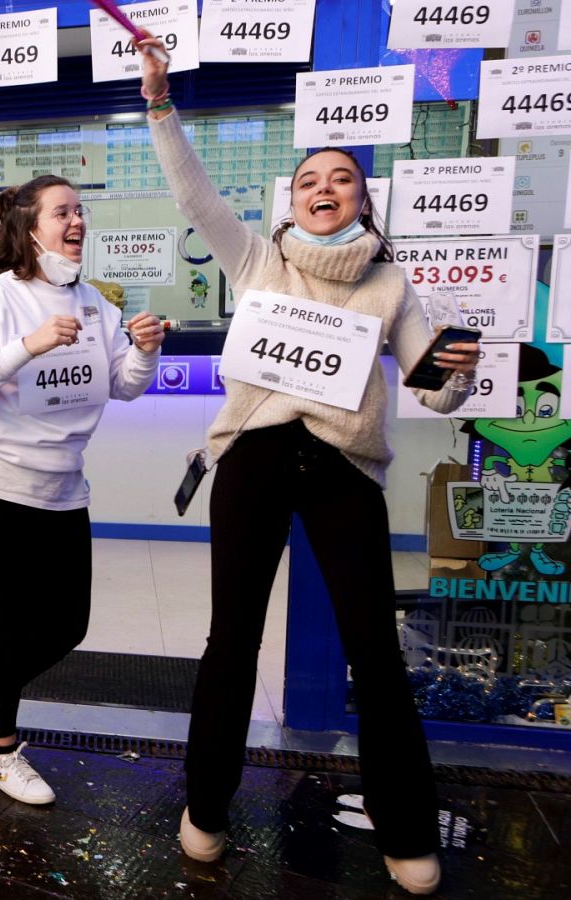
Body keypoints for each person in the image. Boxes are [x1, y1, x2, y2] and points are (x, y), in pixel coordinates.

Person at [135, 35, 479, 895]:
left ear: (363, 198)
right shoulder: (258, 261)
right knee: (231, 642)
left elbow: (430, 391)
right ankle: (204, 809)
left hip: (344, 469)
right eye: (308, 181)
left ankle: (404, 828)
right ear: (291, 199)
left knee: (376, 653)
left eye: (342, 179)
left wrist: (455, 377)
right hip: (253, 456)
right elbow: (194, 191)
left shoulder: (391, 287)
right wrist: (159, 100)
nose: (324, 190)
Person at [0, 175, 166, 805]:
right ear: (30, 226)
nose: (78, 221)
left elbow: (123, 383)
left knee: (66, 625)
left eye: (81, 211)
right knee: (15, 623)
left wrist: (144, 350)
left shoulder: (96, 303)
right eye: (63, 211)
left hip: (63, 488)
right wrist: (26, 345)